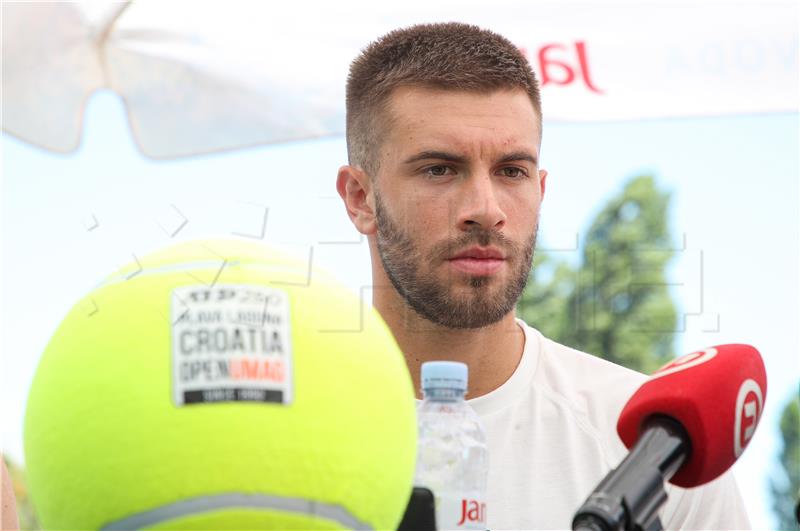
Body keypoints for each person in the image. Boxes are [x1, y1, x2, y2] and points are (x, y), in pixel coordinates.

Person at [336, 22, 750, 530]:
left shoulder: (656, 455)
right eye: (439, 169)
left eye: (512, 171)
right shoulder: (277, 427)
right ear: (360, 198)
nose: (485, 210)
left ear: (541, 189)